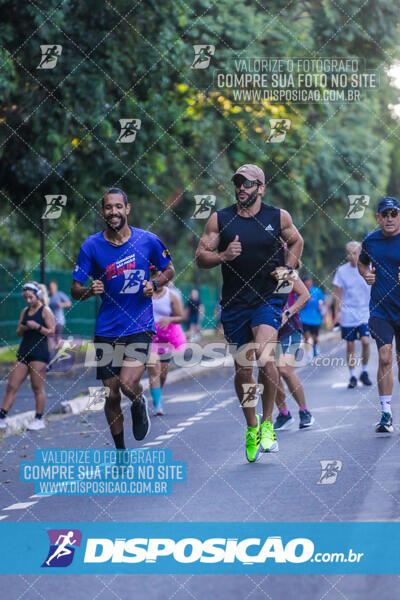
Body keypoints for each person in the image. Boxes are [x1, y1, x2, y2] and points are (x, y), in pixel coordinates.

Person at [196, 163, 303, 462]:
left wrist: (289, 268)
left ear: (261, 188)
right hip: (234, 304)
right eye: (237, 183)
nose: (241, 187)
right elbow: (200, 257)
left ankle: (268, 423)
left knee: (265, 357)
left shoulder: (277, 216)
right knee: (243, 369)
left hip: (268, 299)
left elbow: (296, 240)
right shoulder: (221, 219)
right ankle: (252, 426)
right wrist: (222, 256)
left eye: (247, 183)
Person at [71, 188, 174, 449]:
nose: (113, 212)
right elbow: (75, 289)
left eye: (119, 207)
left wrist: (155, 283)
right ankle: (120, 451)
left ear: (127, 209)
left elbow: (168, 269)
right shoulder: (91, 246)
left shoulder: (148, 240)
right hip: (107, 329)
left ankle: (139, 403)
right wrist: (88, 291)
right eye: (108, 207)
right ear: (102, 211)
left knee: (128, 384)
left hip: (139, 325)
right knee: (111, 393)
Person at [358, 197, 400, 433]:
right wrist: (366, 275)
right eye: (385, 215)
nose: (390, 219)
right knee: (385, 358)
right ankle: (386, 413)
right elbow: (362, 264)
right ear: (378, 218)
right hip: (380, 310)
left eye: (394, 214)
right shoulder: (371, 240)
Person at [0, 282, 55, 431]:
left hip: (39, 353)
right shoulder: (25, 311)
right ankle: (2, 417)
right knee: (12, 385)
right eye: (25, 297)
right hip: (24, 351)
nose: (28, 300)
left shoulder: (45, 310)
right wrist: (24, 327)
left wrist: (37, 327)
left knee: (37, 388)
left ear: (37, 295)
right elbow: (18, 332)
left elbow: (52, 332)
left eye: (30, 297)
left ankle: (38, 419)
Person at [274, 261, 314, 430]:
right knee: (270, 373)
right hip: (266, 329)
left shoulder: (284, 272)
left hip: (289, 328)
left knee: (284, 369)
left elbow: (305, 296)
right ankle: (283, 414)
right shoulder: (254, 273)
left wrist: (287, 313)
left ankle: (305, 412)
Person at [332, 241, 372, 389]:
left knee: (366, 341)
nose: (351, 256)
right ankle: (353, 375)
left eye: (354, 253)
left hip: (365, 312)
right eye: (349, 253)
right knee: (350, 345)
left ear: (361, 252)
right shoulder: (342, 271)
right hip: (348, 313)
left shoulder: (369, 268)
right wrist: (337, 313)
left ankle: (364, 371)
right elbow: (337, 294)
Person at [148, 267, 186, 416]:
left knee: (162, 373)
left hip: (166, 337)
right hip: (149, 337)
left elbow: (181, 317)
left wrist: (169, 319)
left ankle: (157, 392)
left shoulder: (171, 296)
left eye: (162, 277)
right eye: (156, 277)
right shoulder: (146, 294)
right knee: (154, 368)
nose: (159, 280)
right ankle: (158, 406)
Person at [299, 276, 326, 361]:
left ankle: (315, 348)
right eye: (306, 284)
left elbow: (323, 302)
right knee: (306, 337)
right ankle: (308, 354)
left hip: (316, 319)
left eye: (309, 284)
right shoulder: (299, 291)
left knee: (315, 338)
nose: (308, 286)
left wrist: (323, 311)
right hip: (304, 318)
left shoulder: (317, 291)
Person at [48, 280, 72, 348]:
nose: (52, 288)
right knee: (49, 338)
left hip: (59, 321)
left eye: (53, 286)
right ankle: (51, 352)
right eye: (50, 287)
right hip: (49, 322)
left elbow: (69, 303)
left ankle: (58, 351)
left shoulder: (60, 294)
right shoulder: (47, 297)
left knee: (57, 338)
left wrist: (62, 304)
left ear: (56, 287)